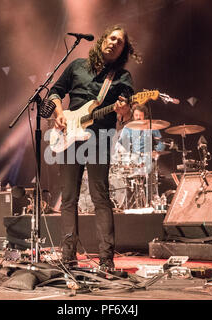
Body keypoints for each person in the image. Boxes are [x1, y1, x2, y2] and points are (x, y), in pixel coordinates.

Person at [48, 25, 141, 270]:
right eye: (112, 37)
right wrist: (59, 114)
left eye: (120, 42)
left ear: (124, 50)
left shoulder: (122, 77)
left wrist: (125, 111)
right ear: (102, 40)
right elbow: (55, 92)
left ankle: (106, 259)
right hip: (69, 135)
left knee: (101, 197)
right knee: (68, 199)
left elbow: (126, 114)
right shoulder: (77, 65)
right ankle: (68, 257)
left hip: (100, 137)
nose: (114, 43)